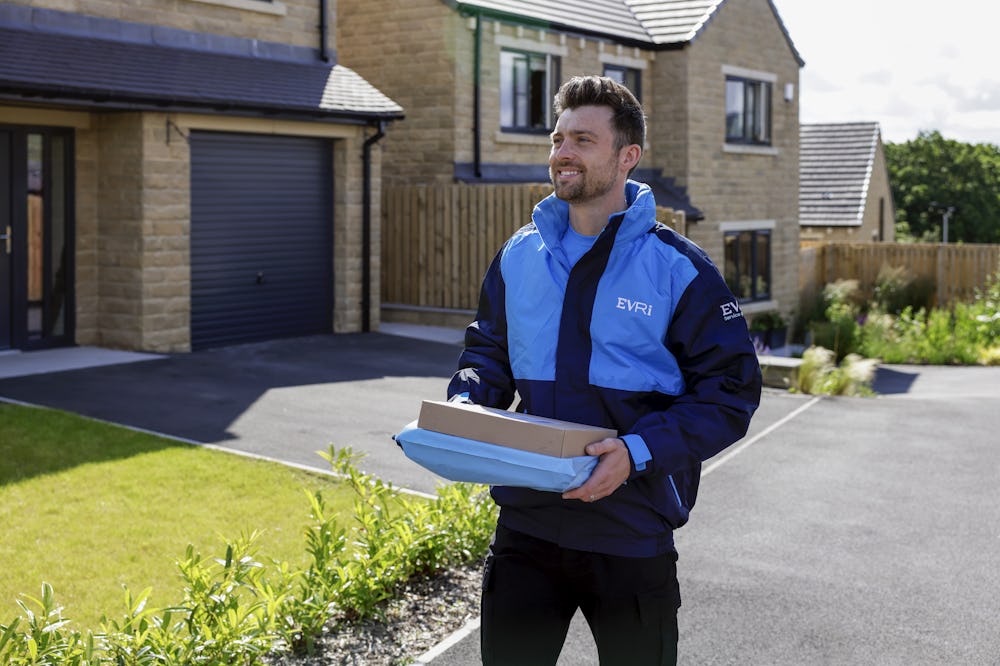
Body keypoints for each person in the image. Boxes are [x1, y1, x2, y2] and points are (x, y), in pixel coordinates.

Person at [447, 75, 762, 665]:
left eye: (583, 140)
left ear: (627, 157)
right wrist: (466, 404)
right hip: (527, 529)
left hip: (631, 534)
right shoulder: (519, 256)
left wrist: (638, 451)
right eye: (559, 138)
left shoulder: (679, 270)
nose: (563, 152)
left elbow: (730, 393)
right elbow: (486, 352)